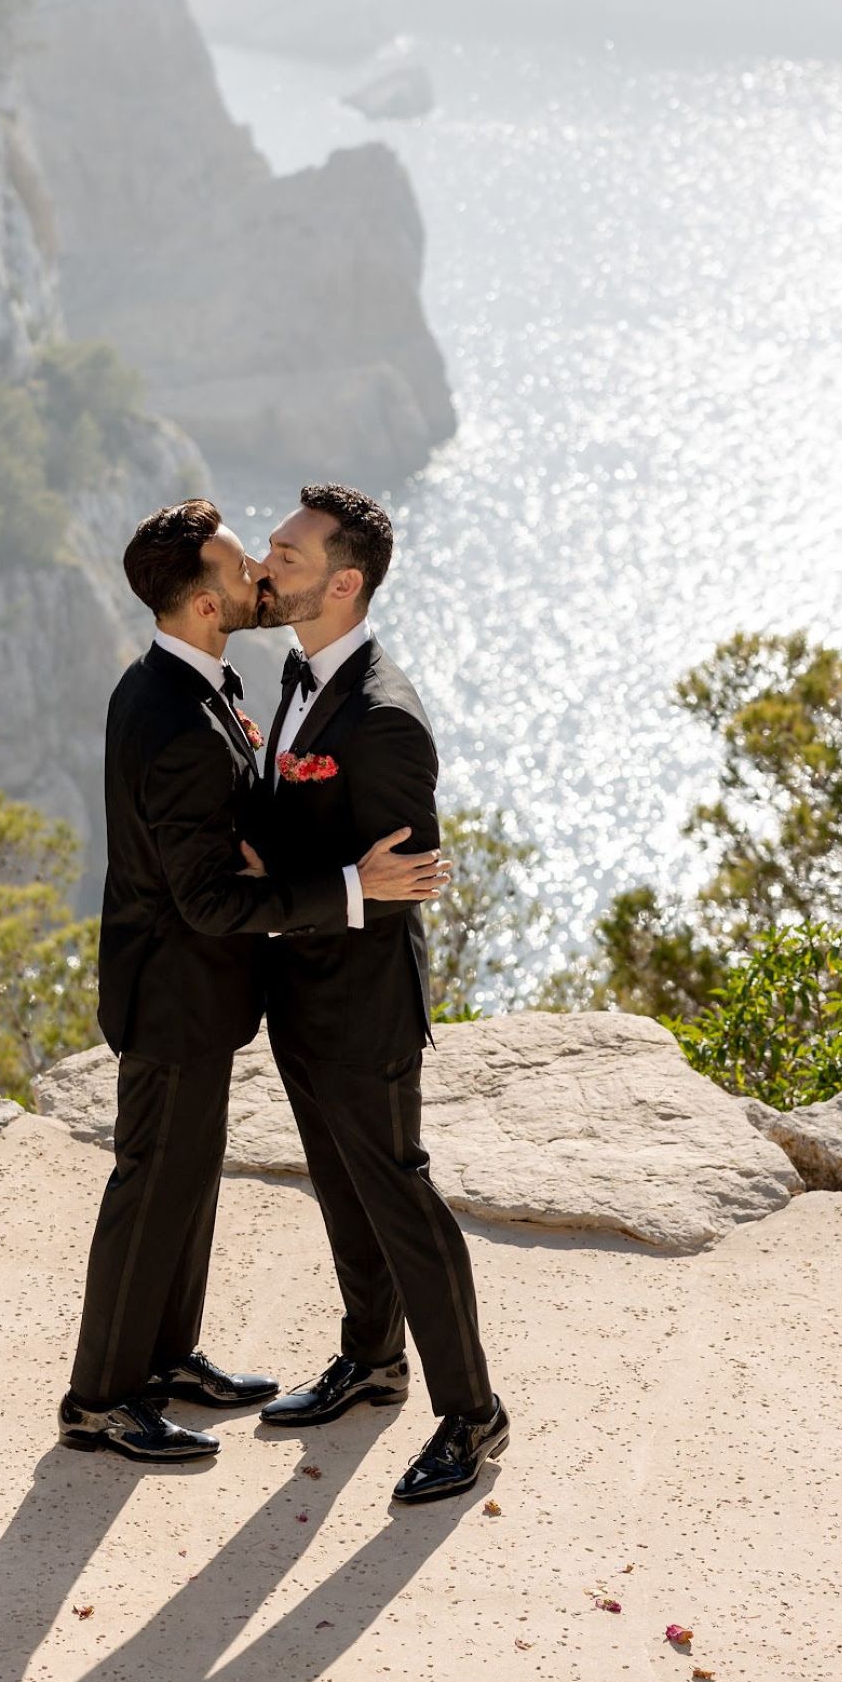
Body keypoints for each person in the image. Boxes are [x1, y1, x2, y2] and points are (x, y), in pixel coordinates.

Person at [60, 498, 447, 1466]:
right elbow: (201, 900)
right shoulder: (177, 714)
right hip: (173, 993)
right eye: (241, 569)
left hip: (203, 995)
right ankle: (101, 1397)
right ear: (201, 601)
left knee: (187, 1185)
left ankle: (168, 1357)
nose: (257, 580)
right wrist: (350, 885)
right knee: (152, 1187)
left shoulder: (192, 683)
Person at [252, 483, 509, 1505]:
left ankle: (473, 1411)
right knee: (342, 1186)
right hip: (297, 993)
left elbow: (400, 885)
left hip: (361, 1002)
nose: (267, 563)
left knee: (399, 1192)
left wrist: (285, 889)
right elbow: (304, 827)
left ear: (344, 582)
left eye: (288, 551)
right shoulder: (295, 673)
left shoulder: (385, 717)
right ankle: (372, 1358)